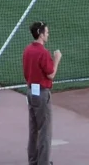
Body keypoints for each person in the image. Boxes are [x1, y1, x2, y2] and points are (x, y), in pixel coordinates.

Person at [23, 21, 61, 165]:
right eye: (46, 32)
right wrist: (56, 59)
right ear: (40, 34)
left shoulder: (27, 50)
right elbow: (51, 74)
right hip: (42, 93)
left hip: (31, 91)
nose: (48, 34)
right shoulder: (42, 53)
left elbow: (26, 72)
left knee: (33, 129)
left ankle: (33, 161)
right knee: (45, 131)